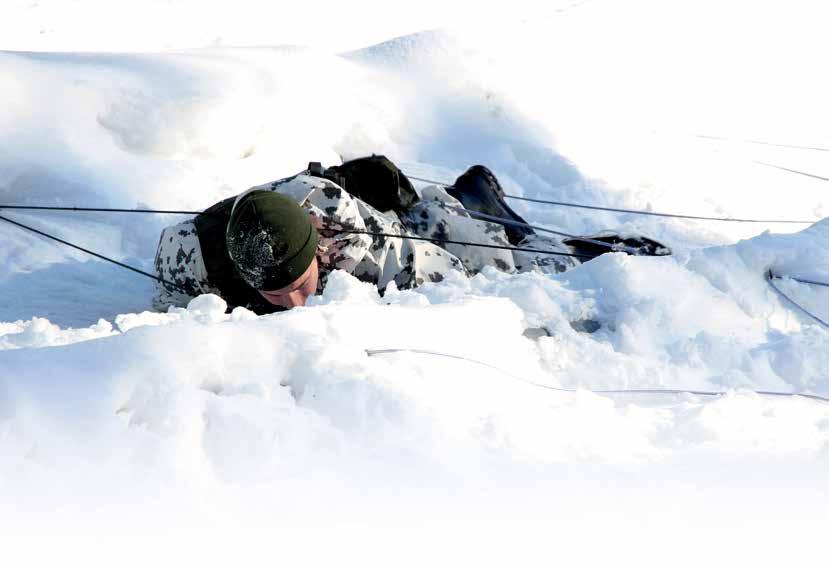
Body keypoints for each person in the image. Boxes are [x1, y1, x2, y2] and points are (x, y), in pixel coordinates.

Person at [152, 155, 667, 314]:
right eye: (273, 291)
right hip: (268, 214)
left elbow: (459, 282)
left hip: (388, 216)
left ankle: (575, 249)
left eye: (302, 284)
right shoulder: (188, 257)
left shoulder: (348, 239)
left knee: (503, 264)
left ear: (319, 250)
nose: (293, 303)